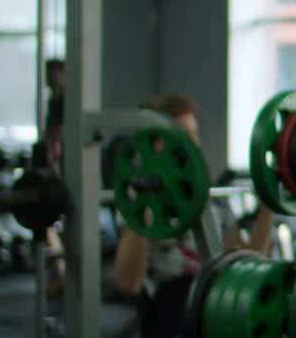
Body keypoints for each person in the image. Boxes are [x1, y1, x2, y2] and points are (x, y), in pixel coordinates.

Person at [112, 93, 275, 297]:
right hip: (166, 311)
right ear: (155, 143)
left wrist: (268, 206)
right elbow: (128, 283)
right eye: (183, 135)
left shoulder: (215, 202)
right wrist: (146, 200)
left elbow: (249, 269)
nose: (194, 144)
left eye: (195, 134)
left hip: (212, 305)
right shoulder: (136, 202)